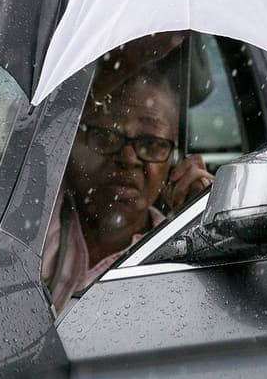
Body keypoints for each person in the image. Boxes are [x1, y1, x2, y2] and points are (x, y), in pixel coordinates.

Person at [42, 35, 213, 313]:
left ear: (175, 164)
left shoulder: (177, 253)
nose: (128, 159)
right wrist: (131, 59)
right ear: (72, 143)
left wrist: (205, 230)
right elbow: (36, 135)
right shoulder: (35, 219)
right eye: (106, 137)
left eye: (151, 144)